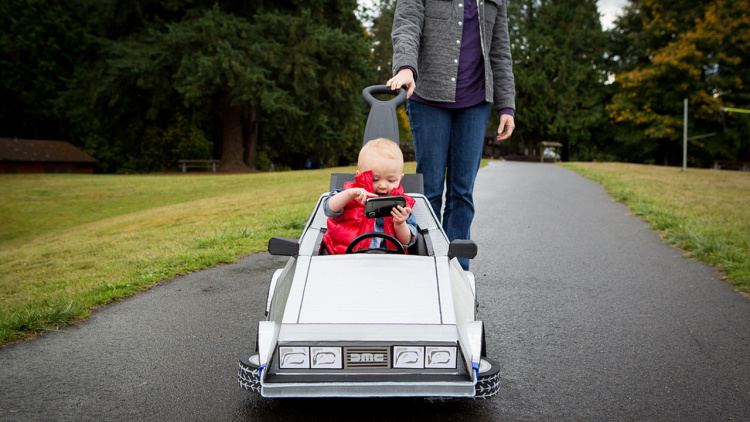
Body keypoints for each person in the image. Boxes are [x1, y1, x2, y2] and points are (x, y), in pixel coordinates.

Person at [387, 0, 516, 269]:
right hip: (428, 97)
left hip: (476, 101)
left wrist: (506, 105)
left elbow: (500, 51)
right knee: (430, 188)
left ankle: (457, 272)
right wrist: (406, 67)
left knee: (462, 193)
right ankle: (425, 266)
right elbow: (406, 24)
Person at [322, 138, 418, 255]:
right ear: (360, 175)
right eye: (375, 179)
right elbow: (328, 209)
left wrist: (400, 223)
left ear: (400, 178)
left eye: (391, 180)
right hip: (346, 258)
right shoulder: (350, 195)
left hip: (388, 260)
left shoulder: (402, 207)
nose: (383, 186)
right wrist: (349, 195)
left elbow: (406, 241)